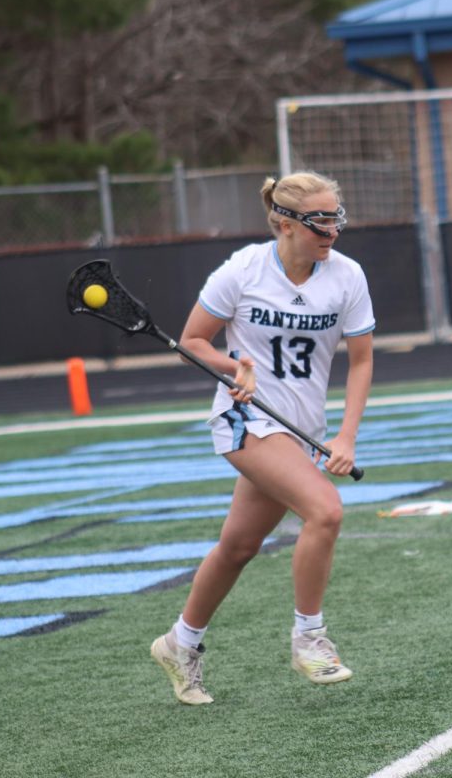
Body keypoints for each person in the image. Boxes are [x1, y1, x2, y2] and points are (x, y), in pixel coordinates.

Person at [150, 171, 375, 704]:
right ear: (285, 222)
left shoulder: (347, 276)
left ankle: (179, 643)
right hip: (243, 421)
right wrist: (234, 367)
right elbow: (192, 341)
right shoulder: (244, 270)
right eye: (320, 219)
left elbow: (362, 361)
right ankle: (309, 637)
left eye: (336, 216)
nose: (333, 229)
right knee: (325, 510)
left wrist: (345, 437)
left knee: (239, 545)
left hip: (300, 430)